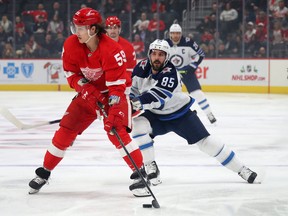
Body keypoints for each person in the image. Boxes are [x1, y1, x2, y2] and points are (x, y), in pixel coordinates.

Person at [28, 8, 144, 195]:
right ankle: (44, 172)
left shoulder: (113, 50)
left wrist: (113, 110)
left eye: (80, 28)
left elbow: (117, 89)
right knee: (66, 129)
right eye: (76, 27)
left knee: (116, 131)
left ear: (93, 29)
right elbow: (71, 74)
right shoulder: (72, 45)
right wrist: (86, 89)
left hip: (111, 95)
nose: (76, 32)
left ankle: (141, 174)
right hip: (87, 95)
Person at [128, 39, 258, 197]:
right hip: (156, 116)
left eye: (161, 55)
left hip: (179, 114)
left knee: (206, 143)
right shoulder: (141, 67)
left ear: (167, 57)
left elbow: (158, 96)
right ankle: (150, 166)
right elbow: (133, 89)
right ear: (149, 54)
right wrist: (125, 102)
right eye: (154, 53)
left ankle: (241, 169)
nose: (156, 57)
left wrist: (135, 103)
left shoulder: (170, 72)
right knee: (138, 125)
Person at [165, 23, 217, 124]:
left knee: (198, 94)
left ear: (181, 34)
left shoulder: (188, 42)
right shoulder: (164, 44)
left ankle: (209, 114)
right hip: (171, 75)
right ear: (170, 34)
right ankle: (167, 117)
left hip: (187, 74)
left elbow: (200, 55)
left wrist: (191, 67)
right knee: (166, 96)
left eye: (178, 33)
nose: (175, 35)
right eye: (173, 33)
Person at [105, 15, 136, 90]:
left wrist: (120, 83)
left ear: (119, 29)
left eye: (115, 27)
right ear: (106, 29)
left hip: (121, 85)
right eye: (110, 28)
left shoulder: (128, 47)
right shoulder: (98, 44)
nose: (113, 31)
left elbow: (131, 70)